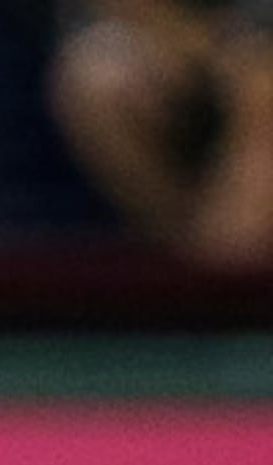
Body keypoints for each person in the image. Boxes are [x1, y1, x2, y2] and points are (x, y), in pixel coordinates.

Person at [52, 0, 273, 266]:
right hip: (198, 42)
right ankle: (190, 264)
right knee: (96, 79)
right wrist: (198, 45)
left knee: (262, 97)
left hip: (253, 47)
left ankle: (223, 274)